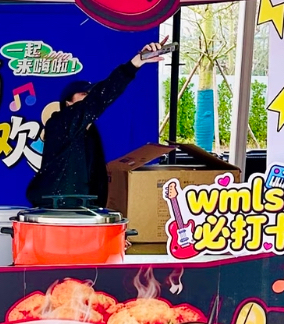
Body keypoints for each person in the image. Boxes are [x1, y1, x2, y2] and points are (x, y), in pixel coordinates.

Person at [25, 37, 173, 211]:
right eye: (84, 95)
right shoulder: (61, 122)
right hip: (57, 208)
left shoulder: (90, 133)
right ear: (68, 103)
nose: (89, 98)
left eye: (90, 94)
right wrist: (135, 63)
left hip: (83, 209)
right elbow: (99, 98)